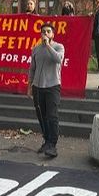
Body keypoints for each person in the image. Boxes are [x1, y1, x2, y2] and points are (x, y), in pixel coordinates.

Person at [27, 22, 65, 158]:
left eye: (48, 31)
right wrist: (29, 86)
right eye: (43, 31)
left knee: (52, 116)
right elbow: (32, 68)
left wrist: (48, 45)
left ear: (53, 34)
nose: (46, 33)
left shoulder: (58, 47)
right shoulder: (36, 49)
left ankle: (53, 145)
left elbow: (58, 59)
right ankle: (46, 141)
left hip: (53, 86)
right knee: (42, 116)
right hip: (38, 87)